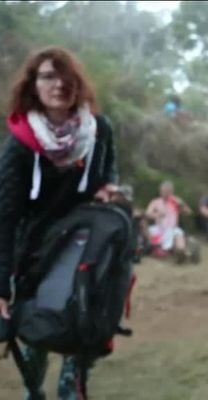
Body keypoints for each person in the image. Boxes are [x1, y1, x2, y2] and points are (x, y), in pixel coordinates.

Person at [0, 46, 118, 400]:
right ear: (33, 85)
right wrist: (1, 286)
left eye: (64, 76)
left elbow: (108, 171)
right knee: (39, 328)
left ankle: (73, 387)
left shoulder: (99, 129)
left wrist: (108, 188)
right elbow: (4, 216)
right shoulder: (20, 145)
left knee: (83, 324)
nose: (58, 84)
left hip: (85, 246)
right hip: (35, 252)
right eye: (47, 76)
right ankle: (33, 389)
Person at [145, 180, 192, 262]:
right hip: (159, 228)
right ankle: (155, 249)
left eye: (167, 191)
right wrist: (157, 215)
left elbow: (188, 212)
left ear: (171, 192)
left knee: (178, 236)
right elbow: (147, 213)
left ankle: (181, 252)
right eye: (163, 191)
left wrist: (181, 204)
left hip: (172, 228)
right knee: (148, 231)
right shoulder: (155, 202)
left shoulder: (176, 201)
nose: (165, 193)